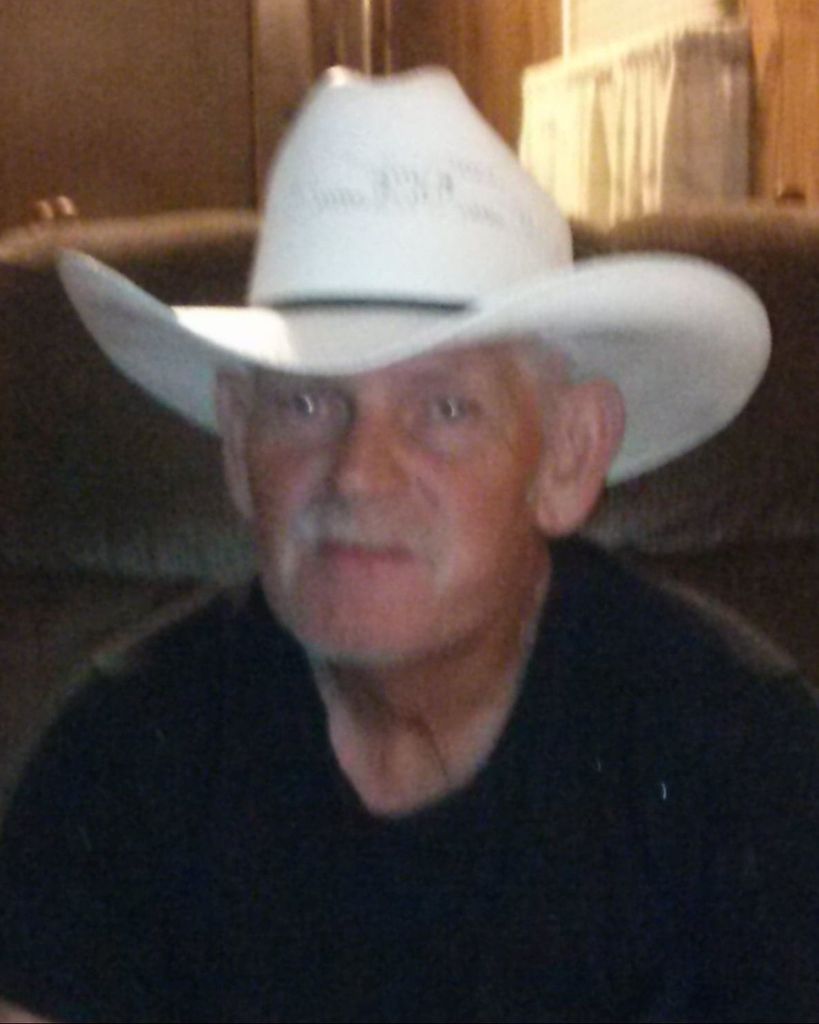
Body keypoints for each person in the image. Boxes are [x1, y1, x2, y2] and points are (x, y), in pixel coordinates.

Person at [1, 67, 817, 1024]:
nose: (357, 473)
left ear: (566, 456)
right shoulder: (125, 745)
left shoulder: (733, 747)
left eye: (444, 410)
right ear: (237, 445)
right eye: (307, 404)